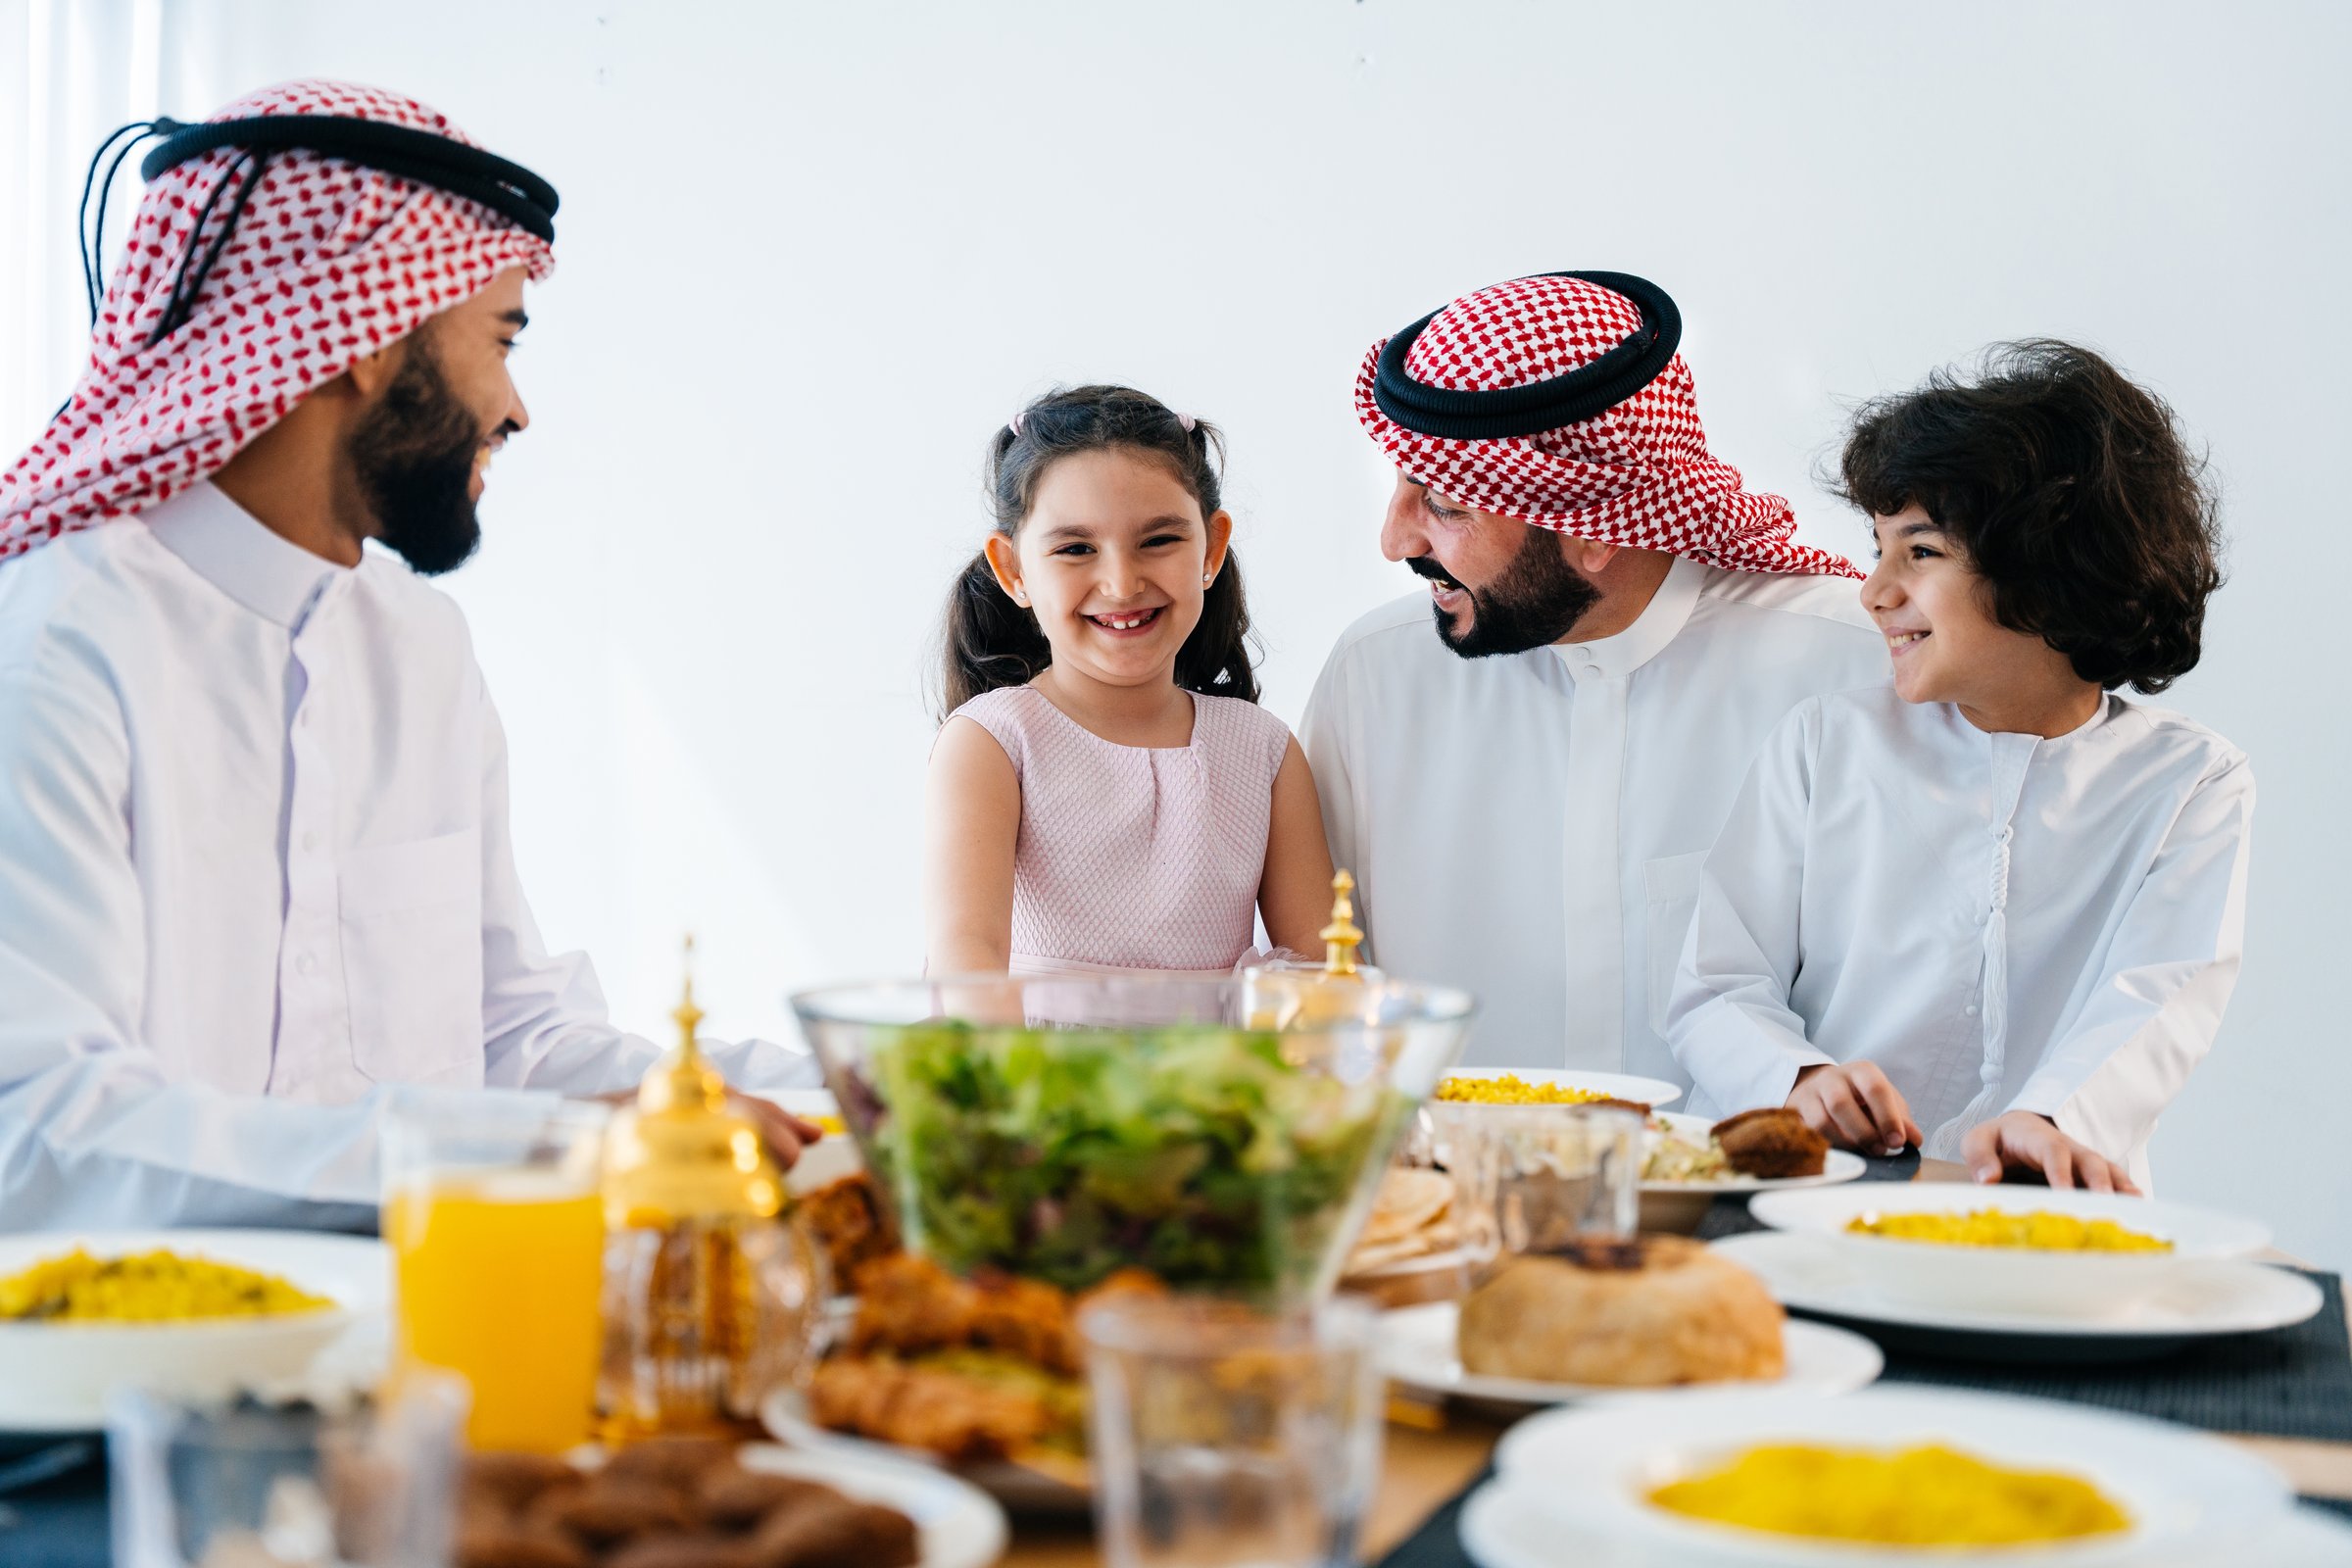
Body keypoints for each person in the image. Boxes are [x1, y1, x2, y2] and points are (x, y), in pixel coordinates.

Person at [0, 80, 816, 1232]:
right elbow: (42, 1137)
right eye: (500, 339)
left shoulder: (421, 646)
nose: (516, 407)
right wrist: (546, 1150)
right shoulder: (53, 651)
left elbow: (506, 1033)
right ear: (368, 341)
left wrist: (843, 1097)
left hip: (433, 1355)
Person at [1666, 341, 2246, 1191]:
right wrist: (1801, 1083)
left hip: (2049, 1206)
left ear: (2050, 566)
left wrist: (2051, 1122)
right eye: (1877, 548)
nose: (1874, 589)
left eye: (1921, 552)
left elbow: (2159, 996)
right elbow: (1717, 982)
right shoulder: (1827, 743)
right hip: (1818, 1191)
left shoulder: (2189, 781)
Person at [1300, 271, 1887, 1080]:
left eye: (1445, 504)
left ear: (1592, 529)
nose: (1394, 540)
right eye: (1401, 486)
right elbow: (1321, 993)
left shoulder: (1847, 668)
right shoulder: (1376, 677)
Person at [924, 385, 1334, 976]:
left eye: (1159, 540)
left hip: (1218, 1071)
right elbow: (966, 964)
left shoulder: (1263, 750)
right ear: (1013, 569)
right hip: (1033, 1068)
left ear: (1212, 548)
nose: (1120, 583)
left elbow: (1324, 974)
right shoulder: (993, 742)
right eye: (1074, 548)